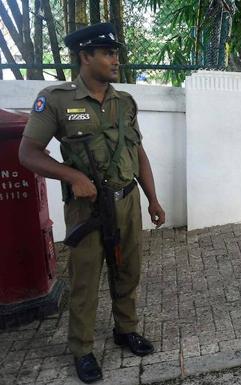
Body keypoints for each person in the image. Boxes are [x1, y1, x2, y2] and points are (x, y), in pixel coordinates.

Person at [18, 23, 165, 384]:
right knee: (85, 279)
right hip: (87, 208)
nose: (115, 60)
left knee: (128, 270)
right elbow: (28, 153)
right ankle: (82, 349)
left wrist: (153, 199)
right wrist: (73, 177)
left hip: (127, 200)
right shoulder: (56, 100)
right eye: (107, 53)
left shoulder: (124, 102)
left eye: (115, 53)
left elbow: (137, 151)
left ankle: (124, 329)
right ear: (85, 56)